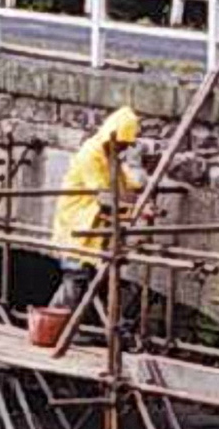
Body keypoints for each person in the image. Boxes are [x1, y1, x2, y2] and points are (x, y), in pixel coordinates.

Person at [48, 106, 149, 317]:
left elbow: (126, 184)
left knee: (88, 278)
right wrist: (135, 209)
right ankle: (55, 325)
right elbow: (104, 195)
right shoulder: (91, 154)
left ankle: (71, 326)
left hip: (93, 225)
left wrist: (140, 195)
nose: (124, 148)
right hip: (77, 222)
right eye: (123, 143)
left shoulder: (110, 155)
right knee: (75, 276)